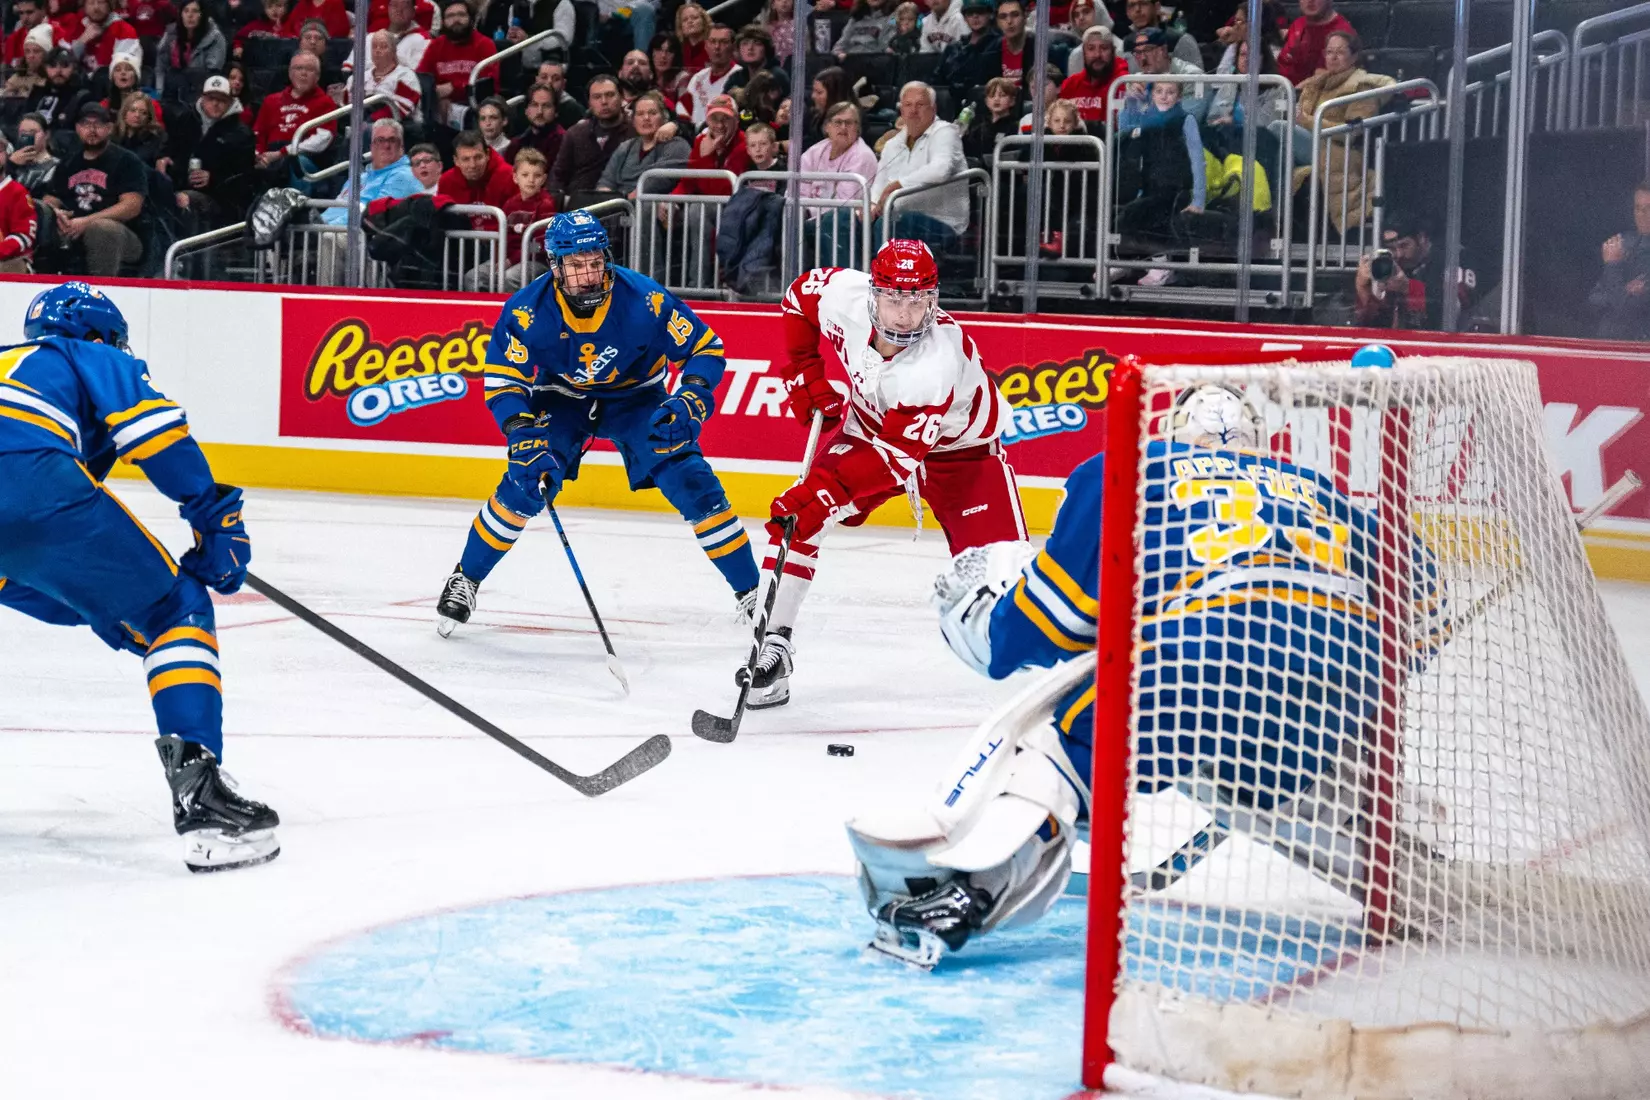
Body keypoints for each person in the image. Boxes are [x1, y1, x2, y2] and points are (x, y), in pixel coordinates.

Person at [853, 382, 1406, 965]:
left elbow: (1059, 622)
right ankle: (1405, 874)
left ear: (1171, 432)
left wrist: (993, 631)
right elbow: (1423, 599)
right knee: (1290, 781)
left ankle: (974, 891)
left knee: (1059, 735)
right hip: (1346, 683)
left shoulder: (1134, 470)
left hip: (1200, 667)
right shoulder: (1323, 492)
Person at [0, 282, 280, 872]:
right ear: (101, 335)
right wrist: (215, 521)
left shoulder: (15, 365)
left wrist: (102, 607)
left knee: (134, 609)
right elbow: (157, 438)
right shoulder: (87, 356)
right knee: (174, 611)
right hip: (27, 482)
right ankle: (205, 804)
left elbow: (32, 575)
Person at [435, 210, 761, 634]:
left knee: (692, 481)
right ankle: (466, 577)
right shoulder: (525, 312)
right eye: (575, 265)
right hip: (563, 398)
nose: (588, 274)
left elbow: (704, 347)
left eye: (594, 261)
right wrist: (520, 431)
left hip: (638, 396)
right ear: (555, 266)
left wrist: (692, 396)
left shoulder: (644, 298)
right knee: (524, 484)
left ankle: (752, 592)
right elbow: (503, 381)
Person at [735, 240, 1024, 710]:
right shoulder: (841, 295)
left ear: (934, 298)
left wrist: (824, 493)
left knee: (1002, 580)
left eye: (918, 299)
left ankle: (1068, 673)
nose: (906, 314)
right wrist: (803, 373)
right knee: (797, 519)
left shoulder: (935, 363)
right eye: (894, 297)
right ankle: (774, 647)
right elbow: (795, 300)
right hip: (870, 431)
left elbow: (895, 460)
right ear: (873, 292)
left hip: (965, 458)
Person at [1290, 31, 1392, 235]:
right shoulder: (1315, 84)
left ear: (1354, 56)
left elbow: (1352, 131)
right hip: (1311, 144)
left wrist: (1309, 121)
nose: (1333, 57)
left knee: (1279, 128)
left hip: (1336, 150)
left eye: (1340, 52)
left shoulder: (1363, 87)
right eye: (1329, 52)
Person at [45, 102, 149, 275]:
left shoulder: (127, 161)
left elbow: (132, 206)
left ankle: (98, 293)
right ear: (77, 128)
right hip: (72, 228)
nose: (92, 130)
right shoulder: (68, 163)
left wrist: (87, 222)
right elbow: (51, 198)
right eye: (86, 124)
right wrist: (56, 214)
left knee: (101, 228)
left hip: (124, 236)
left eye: (98, 125)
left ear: (109, 128)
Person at [871, 82, 969, 254]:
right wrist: (872, 206)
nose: (913, 111)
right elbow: (879, 182)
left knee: (890, 221)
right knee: (843, 221)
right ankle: (854, 276)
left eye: (920, 105)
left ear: (933, 108)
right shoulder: (893, 144)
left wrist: (898, 184)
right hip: (897, 215)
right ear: (901, 111)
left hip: (943, 223)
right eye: (908, 105)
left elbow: (941, 169)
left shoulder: (946, 132)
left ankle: (886, 279)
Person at [1353, 211, 1479, 331]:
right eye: (1392, 248)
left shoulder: (1453, 258)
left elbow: (1456, 309)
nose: (1399, 254)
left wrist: (1409, 288)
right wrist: (1363, 290)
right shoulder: (1393, 266)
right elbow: (1378, 327)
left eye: (1404, 245)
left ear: (1421, 238)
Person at [166, 74, 255, 226]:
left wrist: (213, 178)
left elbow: (245, 177)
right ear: (202, 99)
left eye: (221, 100)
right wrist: (164, 160)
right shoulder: (185, 121)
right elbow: (170, 150)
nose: (215, 103)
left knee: (185, 200)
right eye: (211, 98)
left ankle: (191, 250)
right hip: (179, 186)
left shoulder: (241, 134)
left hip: (223, 200)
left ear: (231, 102)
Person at [800, 101, 878, 266]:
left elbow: (844, 203)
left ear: (857, 128)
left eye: (849, 123)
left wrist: (807, 213)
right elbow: (799, 190)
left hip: (846, 223)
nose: (843, 127)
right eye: (838, 122)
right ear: (827, 127)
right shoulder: (814, 152)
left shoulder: (862, 156)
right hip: (811, 218)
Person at [252, 50, 334, 184]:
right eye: (299, 68)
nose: (303, 73)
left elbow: (322, 139)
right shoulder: (271, 101)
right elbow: (258, 134)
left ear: (317, 76)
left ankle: (296, 204)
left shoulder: (325, 103)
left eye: (309, 69)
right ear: (290, 73)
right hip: (269, 156)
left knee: (296, 163)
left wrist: (283, 153)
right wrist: (258, 156)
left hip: (304, 158)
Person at [549, 73, 633, 196]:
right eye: (597, 97)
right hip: (577, 205)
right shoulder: (575, 133)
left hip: (620, 205)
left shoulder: (636, 131)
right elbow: (557, 177)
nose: (604, 102)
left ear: (621, 98)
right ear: (589, 103)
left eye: (609, 95)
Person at [596, 89, 687, 199]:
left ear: (664, 118)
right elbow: (606, 180)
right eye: (640, 114)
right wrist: (604, 197)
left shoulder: (677, 145)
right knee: (578, 205)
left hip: (646, 204)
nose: (646, 118)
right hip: (617, 205)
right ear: (633, 121)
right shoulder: (625, 147)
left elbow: (656, 181)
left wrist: (625, 200)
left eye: (652, 113)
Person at [419, 0, 496, 127]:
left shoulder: (485, 44)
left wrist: (453, 88)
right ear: (443, 22)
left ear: (471, 19)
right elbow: (422, 77)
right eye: (450, 16)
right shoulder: (436, 45)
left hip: (476, 106)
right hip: (441, 106)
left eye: (461, 15)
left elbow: (488, 84)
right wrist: (437, 95)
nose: (456, 19)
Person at [1590, 182, 1650, 341]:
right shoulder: (1625, 243)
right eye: (1638, 208)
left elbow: (1625, 309)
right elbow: (1594, 300)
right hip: (1608, 345)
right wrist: (1625, 291)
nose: (1642, 214)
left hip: (1640, 350)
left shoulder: (1616, 256)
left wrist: (1613, 266)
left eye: (1648, 208)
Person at [1121, 26, 1206, 125]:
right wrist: (1132, 104)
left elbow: (1190, 119)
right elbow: (1124, 127)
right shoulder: (1134, 81)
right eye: (1138, 52)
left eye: (1148, 50)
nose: (1143, 58)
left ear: (1164, 50)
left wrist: (1148, 106)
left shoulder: (1192, 76)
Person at [498, 146, 556, 290]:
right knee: (475, 277)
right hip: (510, 259)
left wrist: (510, 261)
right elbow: (503, 237)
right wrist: (500, 259)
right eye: (525, 175)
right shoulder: (510, 204)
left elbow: (539, 245)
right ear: (515, 177)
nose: (531, 180)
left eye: (537, 176)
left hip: (536, 261)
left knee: (508, 278)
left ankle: (513, 311)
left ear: (543, 179)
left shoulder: (546, 204)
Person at [156, 0, 229, 104]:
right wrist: (159, 93)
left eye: (195, 11)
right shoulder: (170, 33)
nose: (190, 15)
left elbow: (212, 73)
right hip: (171, 91)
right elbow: (160, 67)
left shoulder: (215, 38)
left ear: (202, 14)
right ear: (180, 14)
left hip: (198, 93)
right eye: (186, 11)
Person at [345, 28, 422, 122]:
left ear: (393, 51)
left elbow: (402, 108)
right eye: (374, 46)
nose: (377, 50)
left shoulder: (405, 76)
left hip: (395, 127)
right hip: (361, 123)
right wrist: (339, 98)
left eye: (383, 47)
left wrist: (371, 120)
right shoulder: (359, 77)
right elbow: (348, 106)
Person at [1277, 0, 1354, 87]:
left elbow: (1324, 78)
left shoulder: (1341, 34)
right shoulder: (1298, 23)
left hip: (1306, 96)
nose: (1310, 1)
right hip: (1274, 88)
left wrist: (1293, 92)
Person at [438, 127, 516, 213]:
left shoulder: (509, 177)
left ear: (487, 155)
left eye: (478, 157)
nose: (473, 165)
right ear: (456, 161)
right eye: (466, 159)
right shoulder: (446, 182)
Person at [936, 0, 1001, 104]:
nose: (975, 16)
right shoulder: (953, 48)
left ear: (990, 14)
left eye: (980, 12)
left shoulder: (999, 43)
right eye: (970, 13)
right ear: (965, 18)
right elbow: (938, 80)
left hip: (985, 101)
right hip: (953, 102)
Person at [1059, 25, 1126, 124]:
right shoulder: (1070, 85)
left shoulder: (1123, 83)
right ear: (1083, 53)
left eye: (1104, 48)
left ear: (1113, 51)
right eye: (1091, 49)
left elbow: (1121, 127)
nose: (1097, 54)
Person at [55, 0, 139, 78]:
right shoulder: (76, 26)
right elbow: (61, 64)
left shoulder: (124, 30)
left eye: (101, 2)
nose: (96, 7)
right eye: (91, 3)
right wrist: (81, 41)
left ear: (109, 5)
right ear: (85, 7)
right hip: (79, 85)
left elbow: (123, 71)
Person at [678, 22, 740, 126]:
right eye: (712, 41)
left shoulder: (740, 76)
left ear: (733, 47)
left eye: (723, 42)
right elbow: (683, 108)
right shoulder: (698, 77)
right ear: (706, 46)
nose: (717, 47)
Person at [1120, 0, 1200, 70]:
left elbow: (1198, 82)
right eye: (1132, 5)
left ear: (1157, 7)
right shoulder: (1128, 42)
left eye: (1143, 3)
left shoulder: (1180, 40)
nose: (1137, 10)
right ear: (1127, 12)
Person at [31, 47, 91, 136]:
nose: (58, 71)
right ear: (45, 68)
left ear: (73, 67)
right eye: (52, 65)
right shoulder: (38, 92)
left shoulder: (82, 97)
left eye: (65, 65)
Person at [505, 82, 566, 167]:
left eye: (546, 106)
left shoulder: (563, 142)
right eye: (534, 105)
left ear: (556, 111)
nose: (540, 112)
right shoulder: (516, 144)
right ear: (526, 111)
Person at [961, 74, 1019, 159]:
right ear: (986, 101)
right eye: (992, 96)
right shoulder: (979, 127)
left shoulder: (1015, 127)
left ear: (1012, 101)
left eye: (1002, 95)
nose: (996, 99)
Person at [0, 148, 38, 271]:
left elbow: (24, 237)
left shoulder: (18, 193)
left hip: (11, 260)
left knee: (12, 267)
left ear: (7, 155)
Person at [9, 112, 59, 197]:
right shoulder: (11, 160)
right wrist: (11, 165)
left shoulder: (56, 166)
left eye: (33, 132)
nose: (28, 136)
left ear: (46, 134)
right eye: (23, 132)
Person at [114, 93, 168, 167]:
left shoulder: (157, 138)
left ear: (148, 117)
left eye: (143, 113)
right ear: (124, 113)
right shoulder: (112, 136)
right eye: (133, 110)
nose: (137, 115)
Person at [386, 0, 432, 70]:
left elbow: (420, 72)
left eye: (405, 6)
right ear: (388, 9)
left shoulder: (423, 39)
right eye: (395, 5)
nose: (399, 10)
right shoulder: (372, 37)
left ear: (413, 12)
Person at [3, 0, 49, 67]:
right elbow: (8, 72)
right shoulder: (12, 40)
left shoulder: (57, 34)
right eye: (21, 13)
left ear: (43, 11)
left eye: (29, 12)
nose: (25, 18)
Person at [649, 32, 686, 108]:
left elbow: (684, 111)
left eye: (669, 51)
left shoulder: (682, 78)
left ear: (676, 56)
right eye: (659, 50)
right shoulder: (646, 75)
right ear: (652, 53)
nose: (663, 56)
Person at [675, 2, 711, 75]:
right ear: (681, 27)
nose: (690, 21)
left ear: (704, 22)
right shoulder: (679, 51)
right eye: (685, 20)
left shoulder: (713, 47)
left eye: (694, 18)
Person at [281, 0, 350, 38]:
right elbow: (287, 29)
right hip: (300, 48)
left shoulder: (335, 2)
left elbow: (341, 31)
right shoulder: (302, 3)